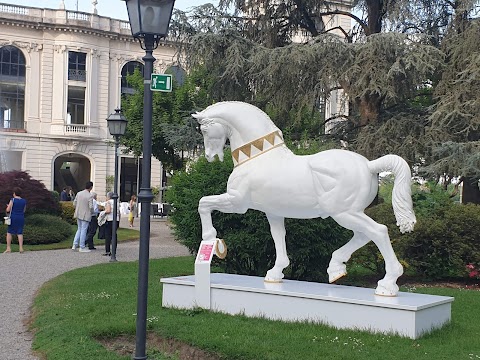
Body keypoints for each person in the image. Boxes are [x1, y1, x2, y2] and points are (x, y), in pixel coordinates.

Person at [72, 181, 93, 253]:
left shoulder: (79, 193)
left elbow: (74, 203)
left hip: (78, 213)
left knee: (79, 229)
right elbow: (91, 207)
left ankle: (74, 245)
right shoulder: (89, 196)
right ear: (91, 187)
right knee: (84, 230)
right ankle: (82, 246)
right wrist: (92, 212)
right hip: (85, 214)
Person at [4, 187, 26, 253]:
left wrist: (8, 206)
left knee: (9, 232)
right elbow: (24, 210)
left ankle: (8, 248)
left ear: (14, 193)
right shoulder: (24, 201)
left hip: (13, 217)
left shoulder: (12, 200)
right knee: (20, 232)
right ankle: (21, 248)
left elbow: (8, 210)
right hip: (21, 217)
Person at [103, 191, 120, 256]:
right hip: (116, 220)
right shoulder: (117, 203)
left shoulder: (108, 202)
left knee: (108, 235)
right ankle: (114, 251)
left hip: (109, 219)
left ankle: (107, 250)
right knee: (114, 235)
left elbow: (108, 210)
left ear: (109, 197)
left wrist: (103, 213)